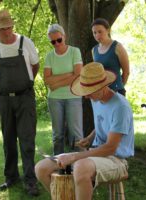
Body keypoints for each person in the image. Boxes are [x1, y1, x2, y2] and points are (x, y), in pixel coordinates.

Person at [35, 62, 134, 200]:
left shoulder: (120, 107)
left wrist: (73, 157)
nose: (86, 97)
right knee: (41, 168)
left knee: (81, 167)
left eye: (89, 92)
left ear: (103, 86)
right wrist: (90, 137)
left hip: (117, 160)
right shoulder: (96, 99)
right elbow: (105, 122)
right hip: (95, 153)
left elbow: (110, 148)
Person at [0, 9, 40, 196]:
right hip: (5, 100)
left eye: (8, 27)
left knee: (27, 139)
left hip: (25, 98)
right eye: (2, 29)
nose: (6, 32)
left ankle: (30, 180)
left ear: (12, 26)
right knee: (8, 140)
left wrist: (24, 84)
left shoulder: (26, 42)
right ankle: (11, 176)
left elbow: (35, 65)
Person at [44, 24, 83, 155]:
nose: (57, 44)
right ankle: (58, 165)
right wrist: (68, 75)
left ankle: (79, 165)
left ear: (64, 37)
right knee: (57, 135)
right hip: (54, 99)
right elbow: (47, 80)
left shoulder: (74, 51)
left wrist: (57, 83)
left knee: (76, 134)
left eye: (59, 40)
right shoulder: (49, 56)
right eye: (53, 42)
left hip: (73, 96)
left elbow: (78, 75)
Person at [91, 18, 129, 96]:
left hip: (116, 92)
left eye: (100, 31)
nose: (97, 35)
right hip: (100, 94)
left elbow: (126, 72)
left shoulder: (118, 47)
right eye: (94, 33)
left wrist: (119, 87)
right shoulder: (94, 50)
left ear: (108, 30)